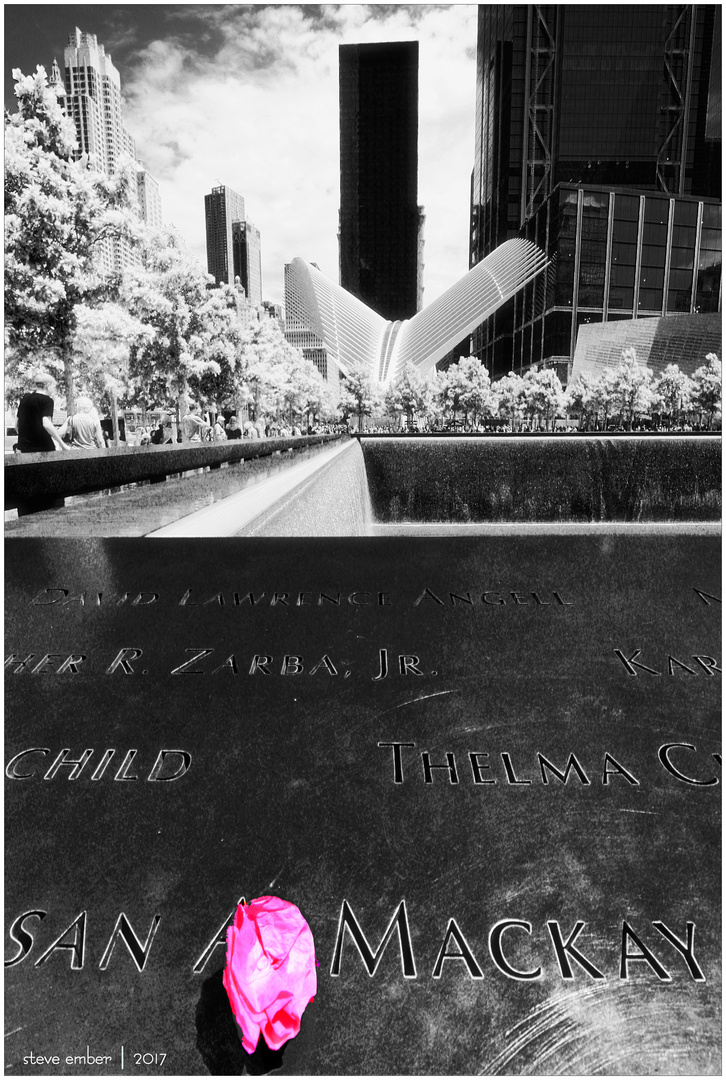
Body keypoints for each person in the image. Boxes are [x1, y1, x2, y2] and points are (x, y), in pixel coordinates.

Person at [15, 371, 69, 453]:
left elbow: (16, 425)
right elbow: (47, 424)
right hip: (43, 448)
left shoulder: (25, 399)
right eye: (53, 387)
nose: (54, 390)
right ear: (47, 385)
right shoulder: (47, 400)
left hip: (24, 448)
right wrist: (62, 444)